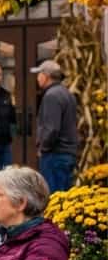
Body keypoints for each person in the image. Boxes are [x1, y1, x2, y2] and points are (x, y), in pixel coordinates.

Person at [33, 60, 80, 193]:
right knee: (64, 197)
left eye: (39, 74)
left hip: (55, 155)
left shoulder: (51, 96)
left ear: (45, 76)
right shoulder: (66, 93)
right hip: (66, 154)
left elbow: (52, 128)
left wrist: (44, 147)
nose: (37, 78)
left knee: (54, 197)